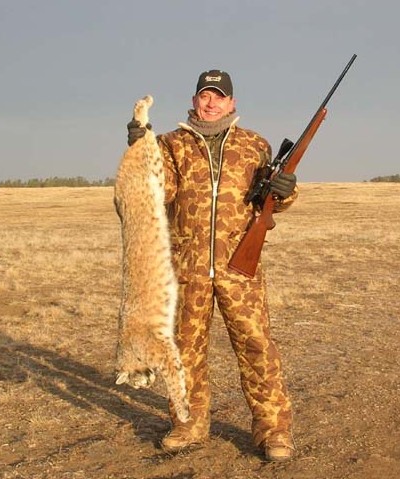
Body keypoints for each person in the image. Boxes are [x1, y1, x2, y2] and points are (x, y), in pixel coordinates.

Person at [126, 69, 298, 462]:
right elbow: (158, 191)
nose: (211, 102)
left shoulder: (255, 145)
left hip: (241, 268)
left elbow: (271, 202)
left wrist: (286, 191)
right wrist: (141, 151)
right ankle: (189, 424)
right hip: (187, 268)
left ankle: (274, 431)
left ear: (231, 102)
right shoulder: (172, 144)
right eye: (205, 95)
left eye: (219, 96)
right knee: (185, 350)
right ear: (195, 100)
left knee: (257, 347)